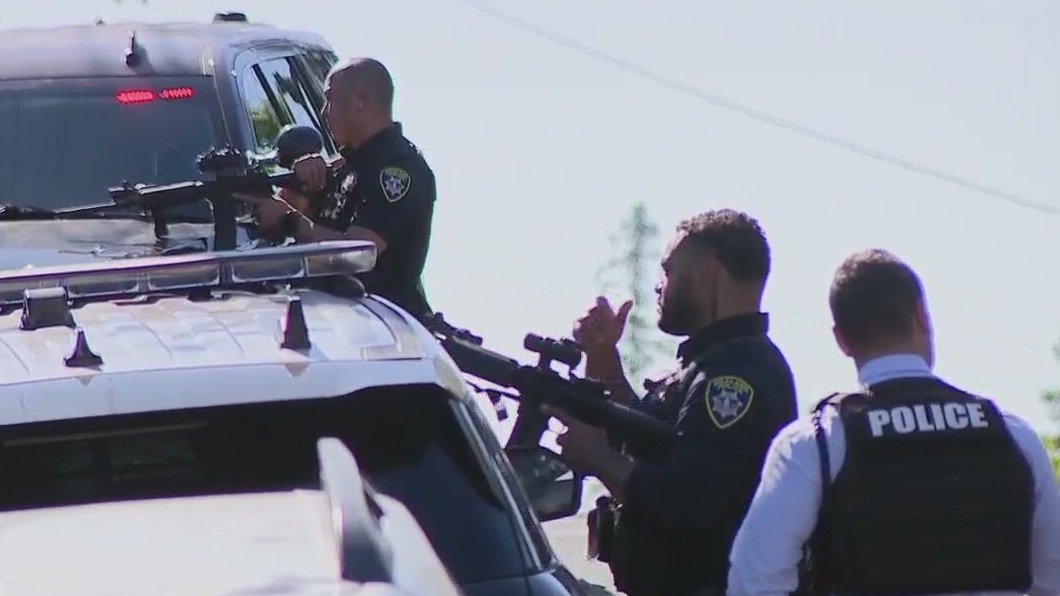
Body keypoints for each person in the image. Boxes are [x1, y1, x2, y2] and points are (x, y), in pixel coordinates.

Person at [726, 249, 1060, 596]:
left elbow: (754, 581)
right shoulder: (1013, 435)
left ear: (841, 340)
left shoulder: (815, 444)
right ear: (920, 316)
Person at [547, 209, 799, 596]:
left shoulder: (738, 375)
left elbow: (689, 500)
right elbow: (659, 442)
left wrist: (597, 456)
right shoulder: (713, 363)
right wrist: (603, 362)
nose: (658, 286)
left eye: (668, 270)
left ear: (708, 271)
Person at [239, 57, 436, 319]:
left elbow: (357, 253)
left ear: (360, 100)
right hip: (326, 315)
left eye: (330, 99)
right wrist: (297, 183)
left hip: (380, 323)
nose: (323, 112)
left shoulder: (397, 168)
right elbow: (276, 227)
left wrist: (290, 220)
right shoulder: (346, 165)